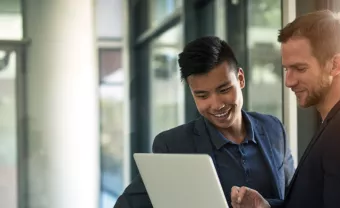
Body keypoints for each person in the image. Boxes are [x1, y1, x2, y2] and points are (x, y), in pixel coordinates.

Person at [114, 36, 295, 208]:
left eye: (224, 89)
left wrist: (268, 205)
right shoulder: (174, 146)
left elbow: (295, 199)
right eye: (202, 95)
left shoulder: (273, 129)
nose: (216, 105)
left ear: (240, 78)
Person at [231, 10, 340, 208]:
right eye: (287, 69)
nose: (289, 81)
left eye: (300, 69)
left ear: (335, 65)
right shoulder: (339, 121)